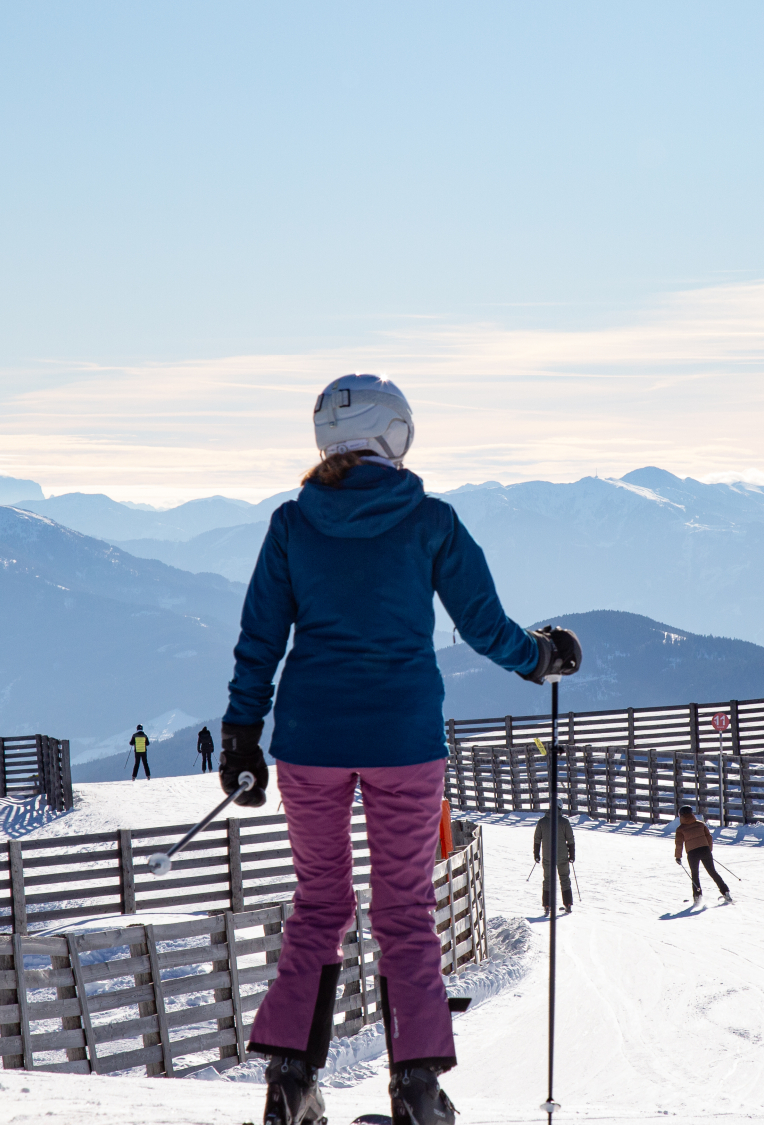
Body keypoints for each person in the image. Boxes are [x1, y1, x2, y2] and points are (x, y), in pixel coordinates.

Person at [220, 375, 581, 1125]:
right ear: (394, 436)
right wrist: (539, 656)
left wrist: (242, 735)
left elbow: (261, 639)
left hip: (311, 741)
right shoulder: (430, 521)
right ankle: (416, 1089)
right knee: (405, 911)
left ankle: (291, 1079)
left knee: (319, 905)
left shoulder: (292, 524)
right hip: (403, 741)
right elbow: (485, 626)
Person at [674, 805, 732, 906]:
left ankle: (697, 897)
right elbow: (709, 837)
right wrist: (709, 850)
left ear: (681, 815)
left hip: (692, 853)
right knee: (713, 872)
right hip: (705, 850)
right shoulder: (701, 824)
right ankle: (725, 892)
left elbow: (679, 844)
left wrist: (678, 857)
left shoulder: (680, 829)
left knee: (695, 875)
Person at [533, 809, 575, 914]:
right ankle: (568, 904)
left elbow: (537, 839)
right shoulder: (564, 822)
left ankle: (547, 905)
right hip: (562, 856)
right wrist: (572, 855)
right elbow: (570, 839)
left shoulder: (542, 822)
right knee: (564, 878)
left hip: (548, 856)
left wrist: (536, 854)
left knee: (547, 880)